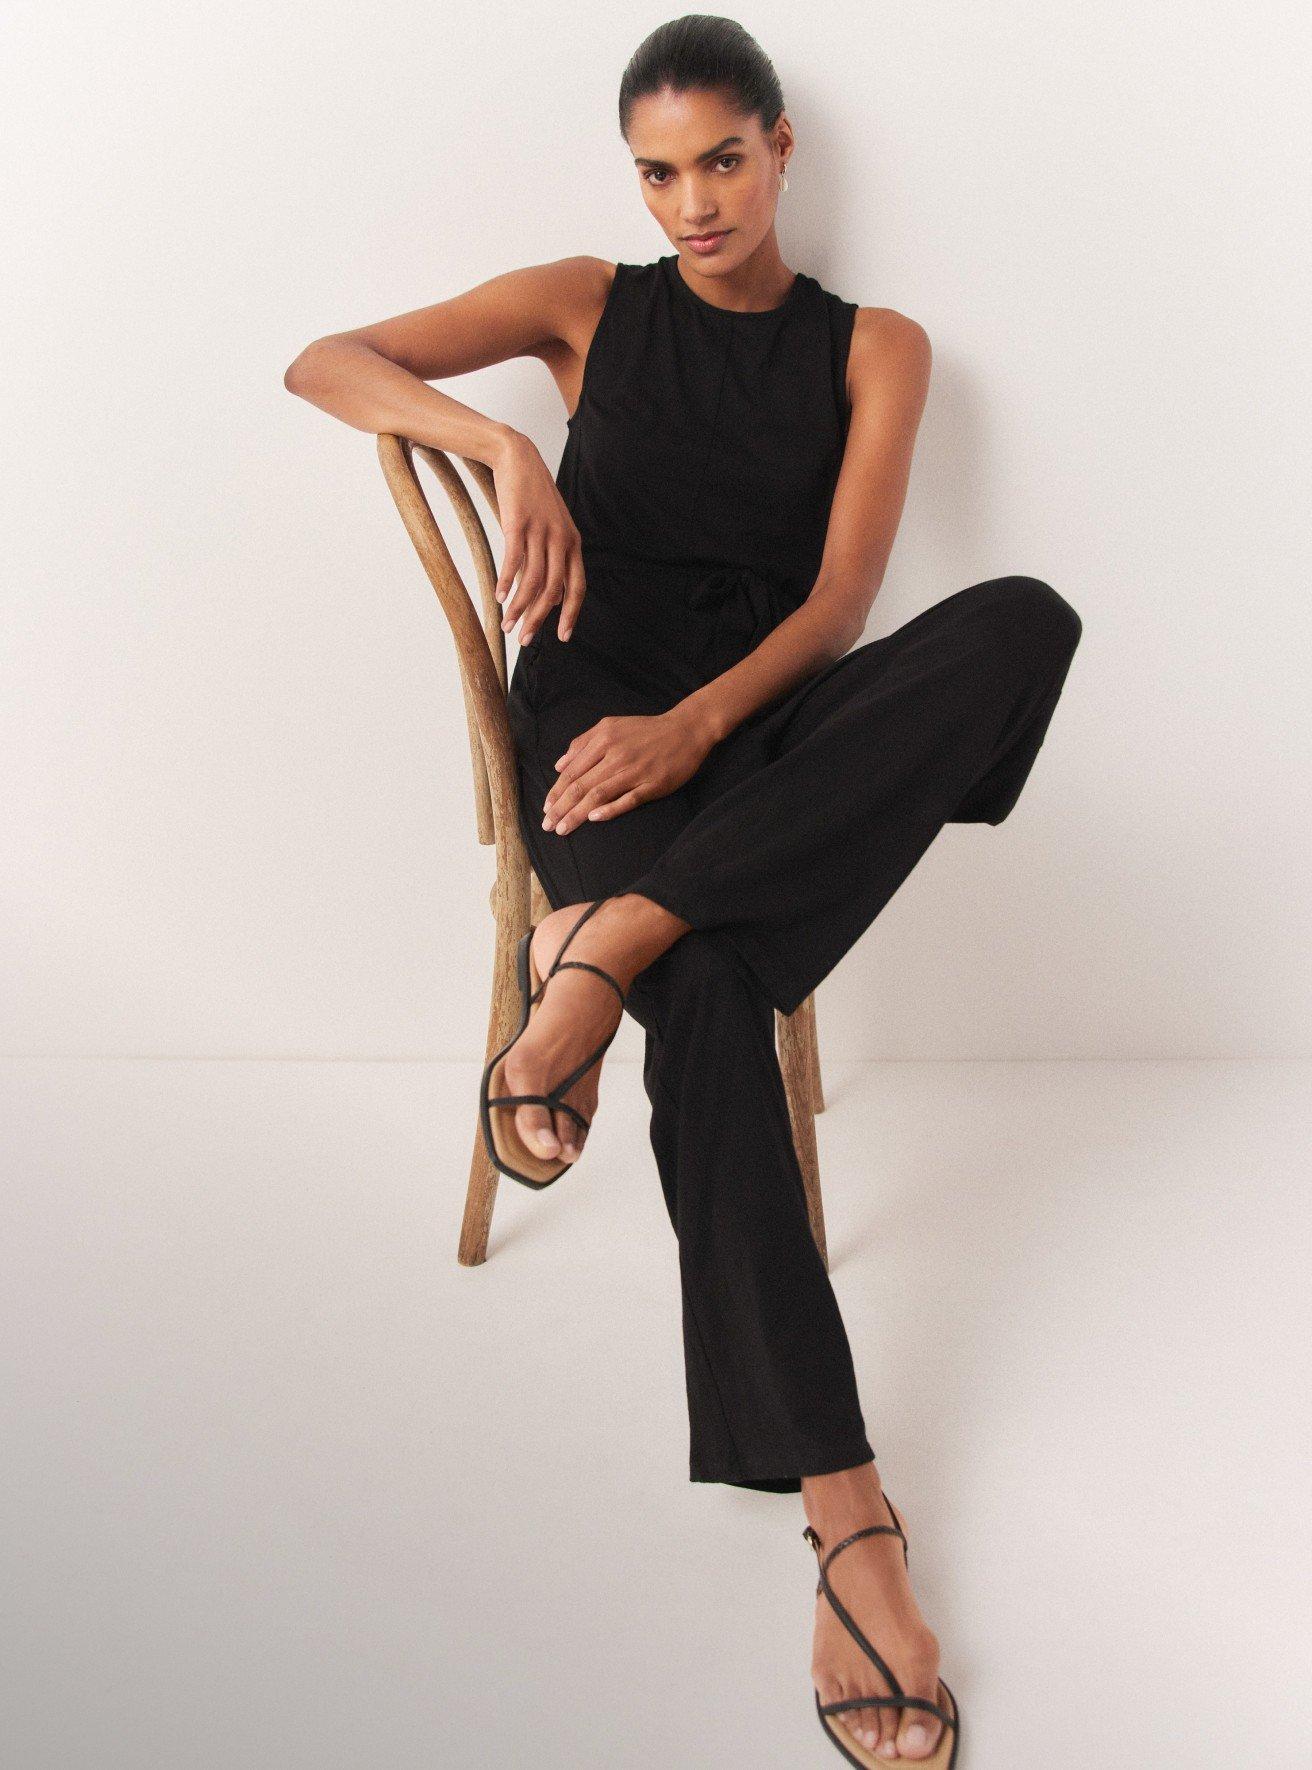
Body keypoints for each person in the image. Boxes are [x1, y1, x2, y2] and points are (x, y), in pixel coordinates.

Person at [284, 17, 1082, 1764]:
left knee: (1022, 624)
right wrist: (497, 451)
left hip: (753, 739)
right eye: (660, 169)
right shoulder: (587, 303)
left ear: (783, 150)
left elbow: (845, 607)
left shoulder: (878, 345)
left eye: (724, 158)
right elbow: (322, 361)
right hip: (589, 746)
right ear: (631, 177)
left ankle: (604, 954)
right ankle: (849, 1511)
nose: (693, 201)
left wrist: (699, 728)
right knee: (718, 1000)